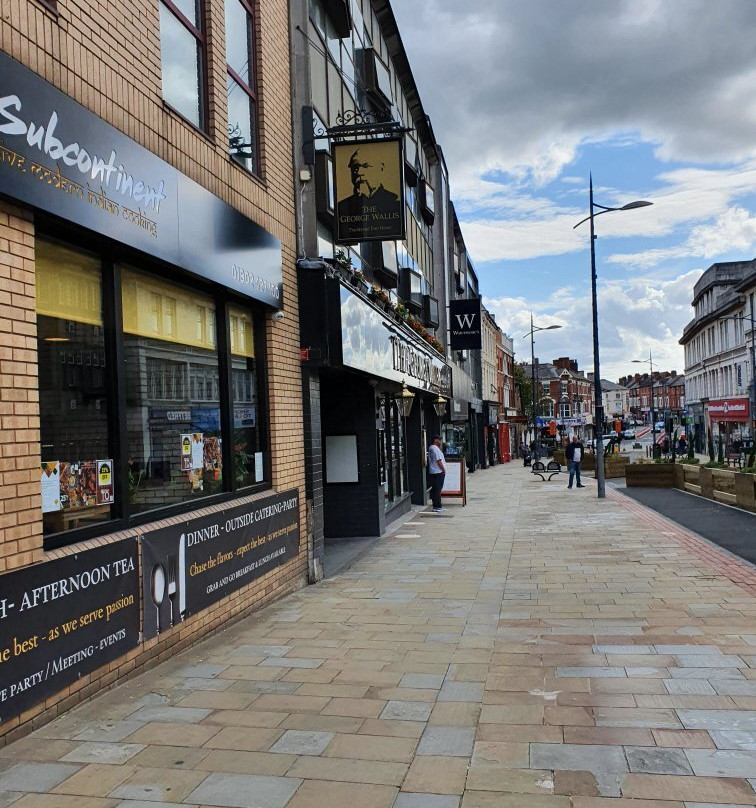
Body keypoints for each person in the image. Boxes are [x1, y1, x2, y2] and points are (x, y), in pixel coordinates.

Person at [337, 146, 401, 240]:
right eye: (355, 167)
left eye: (366, 166)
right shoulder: (341, 207)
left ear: (381, 168)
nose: (359, 172)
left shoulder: (395, 204)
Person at [427, 435, 446, 513]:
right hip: (438, 472)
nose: (440, 441)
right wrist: (443, 470)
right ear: (435, 440)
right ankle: (437, 506)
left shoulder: (431, 448)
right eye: (439, 440)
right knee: (437, 490)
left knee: (435, 489)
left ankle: (436, 506)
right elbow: (438, 461)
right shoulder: (435, 448)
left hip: (434, 471)